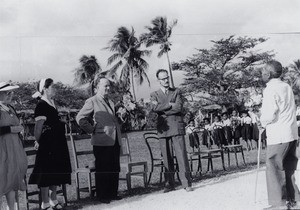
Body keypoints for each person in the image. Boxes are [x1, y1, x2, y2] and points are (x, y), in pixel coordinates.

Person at [76, 76, 122, 203]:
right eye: (104, 86)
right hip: (102, 140)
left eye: (108, 85)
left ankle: (113, 193)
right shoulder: (92, 101)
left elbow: (113, 121)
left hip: (114, 139)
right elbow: (80, 117)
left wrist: (121, 118)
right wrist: (91, 130)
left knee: (114, 167)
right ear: (97, 87)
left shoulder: (111, 102)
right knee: (103, 168)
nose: (108, 88)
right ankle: (102, 196)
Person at [260, 60, 299, 209]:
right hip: (291, 134)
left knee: (275, 169)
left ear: (268, 74)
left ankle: (280, 204)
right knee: (289, 170)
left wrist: (261, 121)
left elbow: (270, 114)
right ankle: (294, 200)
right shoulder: (286, 86)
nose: (261, 73)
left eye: (263, 70)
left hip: (278, 136)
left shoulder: (270, 89)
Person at [29, 78, 71, 210]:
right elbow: (38, 128)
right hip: (47, 145)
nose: (55, 89)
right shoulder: (41, 105)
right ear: (45, 89)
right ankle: (45, 203)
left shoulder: (52, 103)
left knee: (56, 171)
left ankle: (54, 200)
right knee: (46, 173)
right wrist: (39, 141)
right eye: (52, 87)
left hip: (57, 143)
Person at [150, 69, 192, 193]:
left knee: (181, 156)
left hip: (176, 126)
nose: (166, 80)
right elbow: (154, 107)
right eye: (163, 79)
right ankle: (170, 183)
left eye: (167, 77)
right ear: (158, 80)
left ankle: (186, 182)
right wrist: (169, 105)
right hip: (163, 128)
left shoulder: (177, 91)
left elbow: (178, 107)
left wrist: (162, 110)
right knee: (166, 157)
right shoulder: (154, 94)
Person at [0, 81, 27, 210]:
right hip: (2, 150)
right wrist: (11, 129)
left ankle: (12, 208)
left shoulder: (10, 108)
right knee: (2, 177)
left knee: (12, 178)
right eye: (6, 93)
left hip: (14, 149)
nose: (9, 95)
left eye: (10, 92)